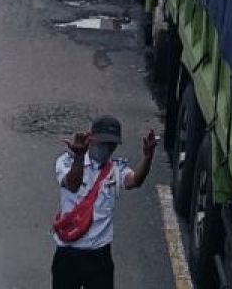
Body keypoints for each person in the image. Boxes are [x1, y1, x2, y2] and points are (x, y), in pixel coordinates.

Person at [52, 116, 156, 289]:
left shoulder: (116, 169)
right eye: (104, 143)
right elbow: (72, 184)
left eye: (112, 144)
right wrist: (79, 157)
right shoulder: (67, 161)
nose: (108, 148)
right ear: (91, 139)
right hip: (68, 255)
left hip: (99, 257)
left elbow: (134, 181)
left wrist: (147, 158)